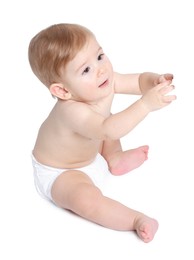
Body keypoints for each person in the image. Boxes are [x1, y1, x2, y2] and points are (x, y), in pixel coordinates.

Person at [28, 23, 176, 243]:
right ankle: (136, 219)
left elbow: (136, 81)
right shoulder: (72, 111)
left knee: (109, 121)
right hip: (62, 172)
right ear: (63, 91)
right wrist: (145, 105)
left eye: (99, 56)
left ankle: (114, 157)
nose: (101, 69)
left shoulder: (103, 80)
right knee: (85, 199)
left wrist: (153, 81)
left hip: (93, 145)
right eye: (86, 70)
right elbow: (108, 130)